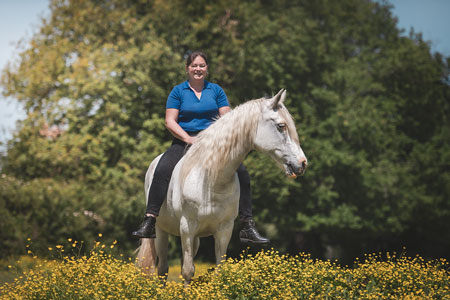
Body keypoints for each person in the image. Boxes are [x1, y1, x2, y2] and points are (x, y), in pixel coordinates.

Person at [132, 51, 269, 244]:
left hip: (213, 144)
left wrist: (215, 139)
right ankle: (150, 220)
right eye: (194, 65)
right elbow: (170, 121)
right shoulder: (178, 91)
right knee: (162, 169)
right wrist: (188, 139)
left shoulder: (216, 91)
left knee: (243, 174)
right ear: (187, 68)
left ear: (207, 69)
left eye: (202, 65)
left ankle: (247, 224)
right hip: (184, 141)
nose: (198, 69)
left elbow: (227, 120)